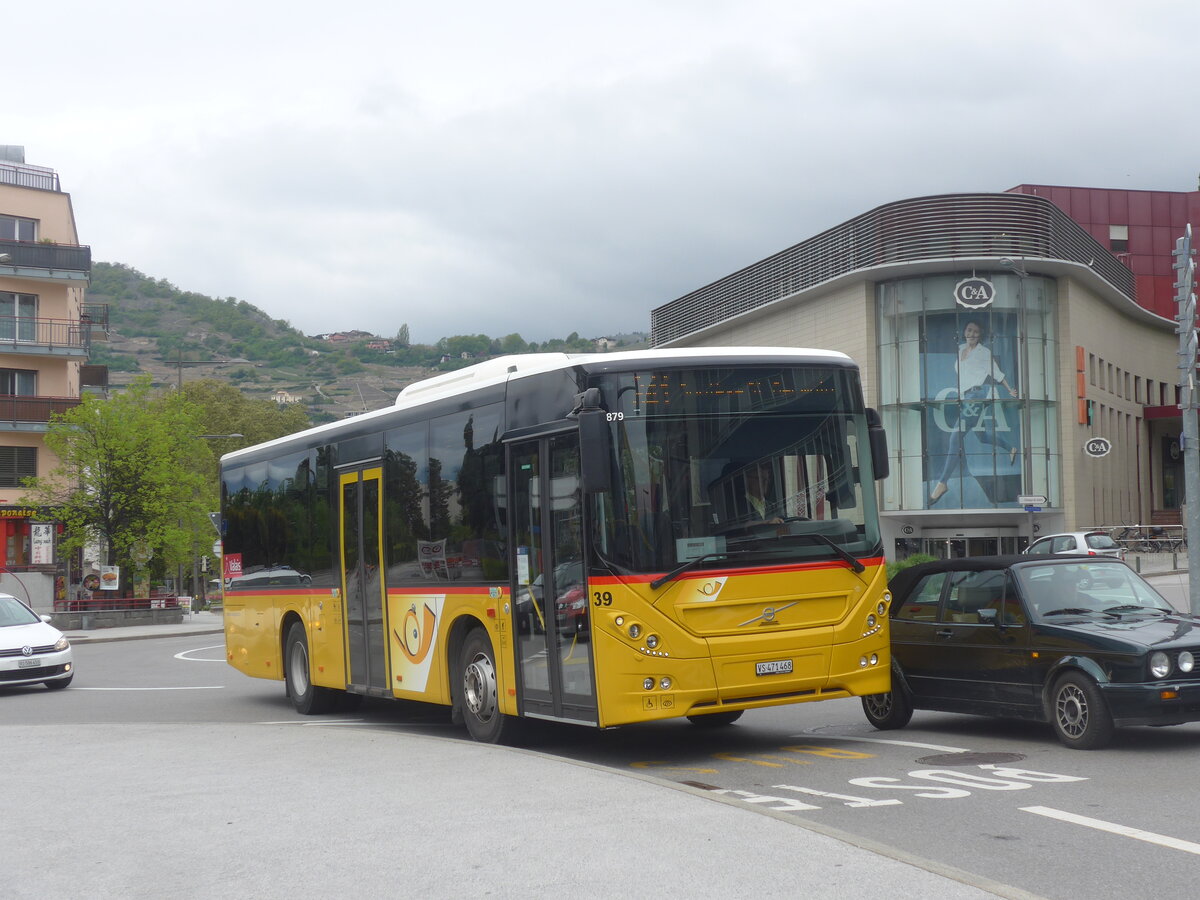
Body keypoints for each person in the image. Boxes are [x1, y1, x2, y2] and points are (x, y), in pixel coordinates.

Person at [929, 320, 1019, 506]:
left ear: (981, 335)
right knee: (981, 436)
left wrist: (1010, 390)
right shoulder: (961, 348)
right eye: (969, 330)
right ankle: (1010, 448)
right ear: (964, 331)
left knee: (955, 437)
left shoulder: (984, 353)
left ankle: (942, 482)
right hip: (965, 398)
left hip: (976, 396)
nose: (971, 334)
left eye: (976, 332)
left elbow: (997, 373)